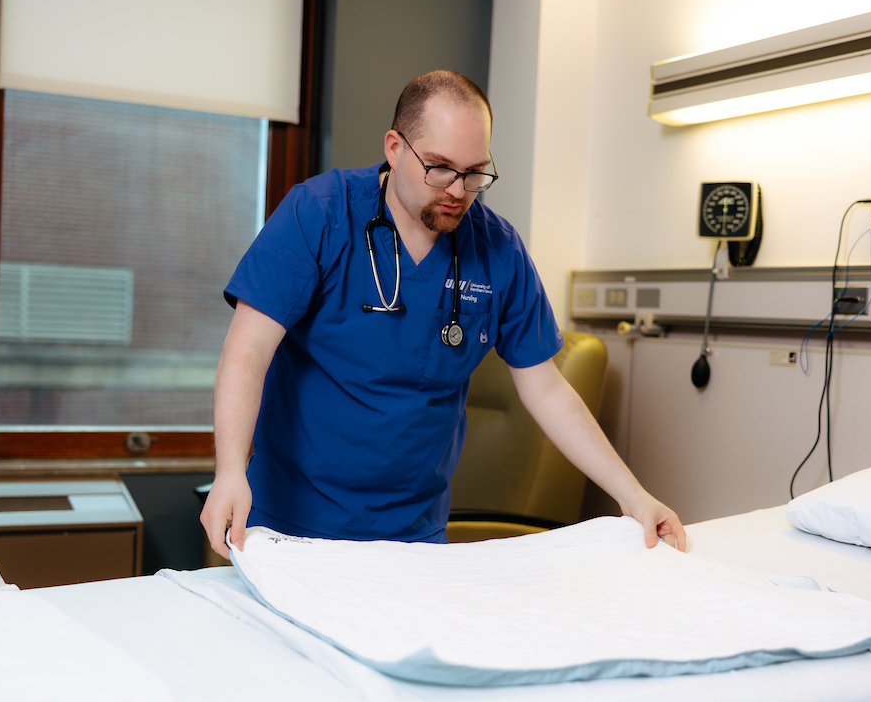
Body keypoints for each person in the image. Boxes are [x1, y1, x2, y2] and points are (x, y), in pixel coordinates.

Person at [201, 70, 684, 557]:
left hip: (416, 536)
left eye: (475, 171)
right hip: (290, 523)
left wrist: (633, 495)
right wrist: (228, 472)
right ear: (394, 147)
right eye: (440, 167)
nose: (458, 189)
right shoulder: (319, 213)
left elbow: (546, 386)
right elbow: (247, 350)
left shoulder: (498, 248)